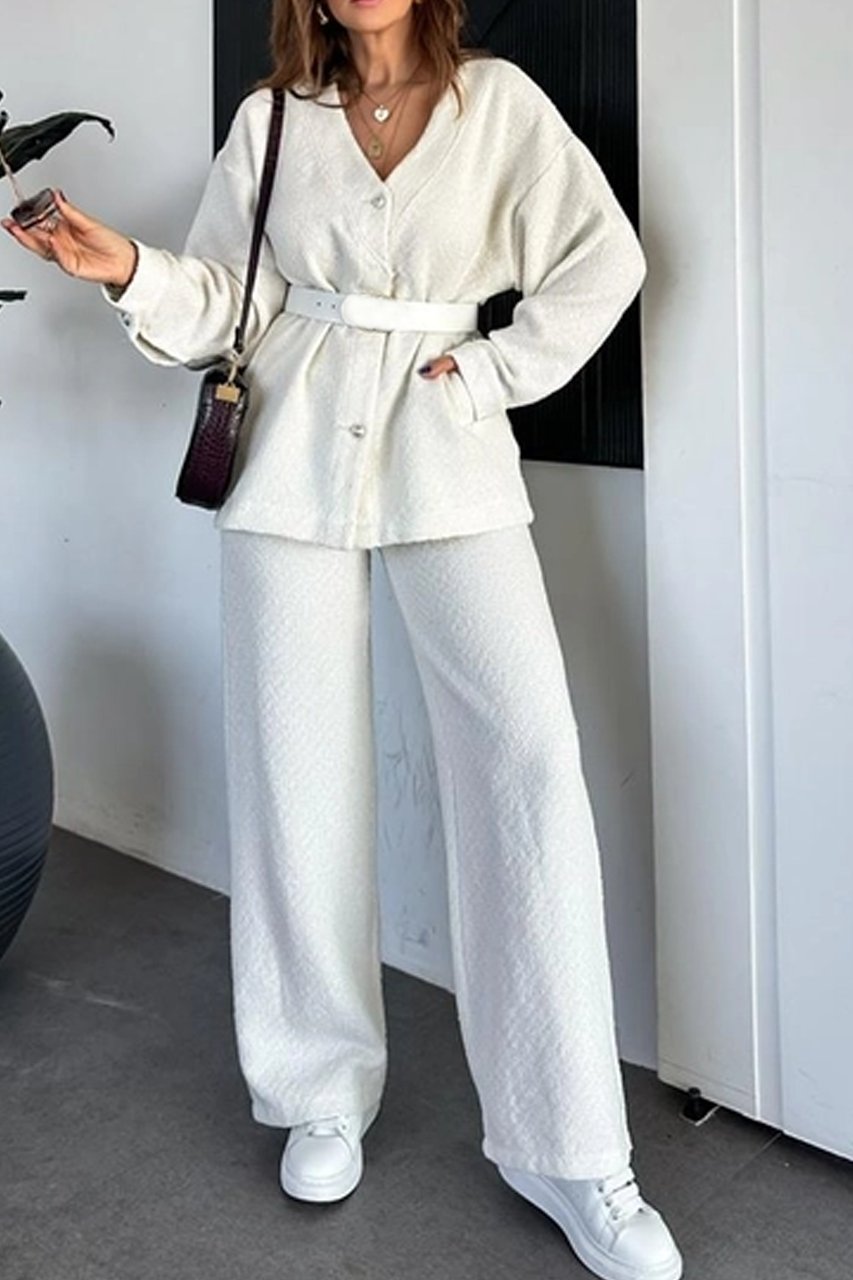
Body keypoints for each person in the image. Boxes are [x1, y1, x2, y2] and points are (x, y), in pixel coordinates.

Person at [3, 2, 683, 1277]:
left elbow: (604, 259)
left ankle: (569, 1143)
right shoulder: (271, 122)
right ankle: (317, 1085)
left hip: (449, 451)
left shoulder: (498, 104)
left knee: (527, 769)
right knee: (293, 768)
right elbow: (232, 302)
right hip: (288, 459)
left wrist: (492, 373)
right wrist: (126, 267)